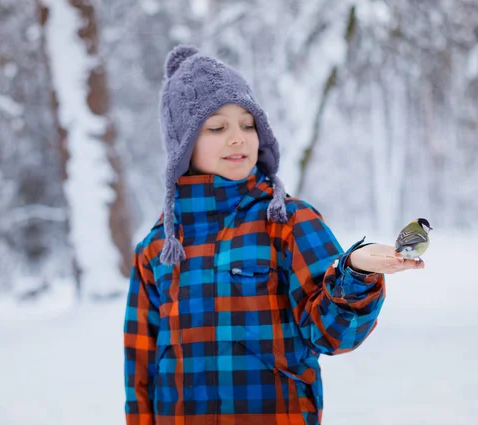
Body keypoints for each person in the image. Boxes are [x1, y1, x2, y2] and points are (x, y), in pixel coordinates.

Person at [123, 44, 424, 425]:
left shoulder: (287, 223)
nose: (239, 138)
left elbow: (331, 334)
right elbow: (139, 369)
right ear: (182, 147)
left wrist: (356, 274)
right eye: (217, 127)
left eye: (248, 124)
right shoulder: (158, 249)